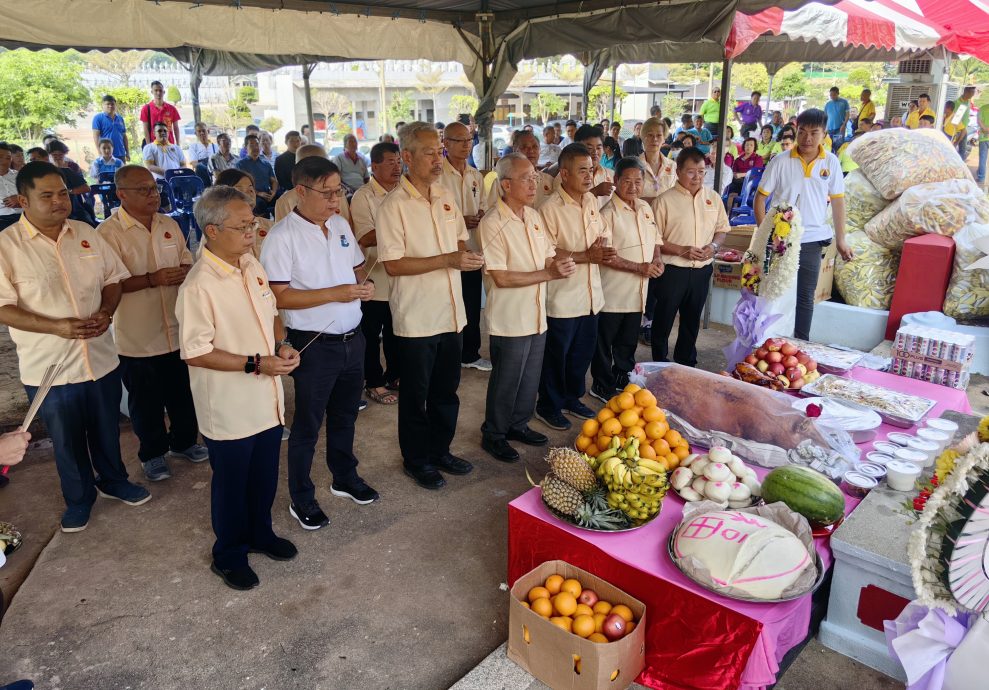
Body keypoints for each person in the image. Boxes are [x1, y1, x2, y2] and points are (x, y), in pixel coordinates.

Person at [0, 161, 150, 532]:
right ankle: (80, 499)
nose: (58, 202)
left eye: (63, 193)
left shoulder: (86, 233)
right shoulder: (7, 247)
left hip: (99, 357)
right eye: (46, 196)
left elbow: (113, 279)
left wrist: (106, 311)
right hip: (49, 366)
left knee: (105, 428)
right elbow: (3, 307)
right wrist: (57, 326)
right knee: (66, 440)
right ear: (23, 200)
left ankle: (114, 481)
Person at [178, 185, 299, 590]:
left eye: (253, 222)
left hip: (266, 397)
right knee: (232, 484)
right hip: (228, 405)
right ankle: (228, 553)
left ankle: (260, 534)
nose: (252, 231)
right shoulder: (199, 285)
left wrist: (281, 345)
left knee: (264, 475)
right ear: (212, 231)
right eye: (243, 225)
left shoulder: (251, 264)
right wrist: (255, 363)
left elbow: (273, 317)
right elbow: (195, 351)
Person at [260, 156, 378, 529]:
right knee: (308, 426)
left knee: (345, 417)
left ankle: (344, 477)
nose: (334, 200)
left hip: (352, 337)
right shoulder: (282, 237)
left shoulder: (340, 225)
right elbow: (279, 296)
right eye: (326, 193)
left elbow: (356, 265)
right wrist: (337, 293)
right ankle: (302, 497)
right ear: (301, 191)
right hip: (314, 343)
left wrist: (362, 285)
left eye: (338, 191)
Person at [376, 122, 482, 490]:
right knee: (415, 395)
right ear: (406, 157)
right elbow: (394, 264)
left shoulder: (446, 195)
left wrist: (466, 259)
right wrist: (447, 260)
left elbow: (458, 247)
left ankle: (440, 450)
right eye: (429, 152)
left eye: (439, 151)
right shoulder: (393, 206)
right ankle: (416, 459)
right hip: (417, 317)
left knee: (446, 391)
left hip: (451, 312)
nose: (438, 159)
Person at [97, 165, 205, 481]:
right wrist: (150, 279)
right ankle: (153, 454)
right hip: (138, 336)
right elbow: (107, 283)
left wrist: (185, 270)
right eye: (142, 190)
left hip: (176, 329)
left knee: (183, 394)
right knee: (147, 403)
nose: (152, 195)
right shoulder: (107, 233)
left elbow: (188, 259)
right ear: (121, 194)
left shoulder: (168, 224)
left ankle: (184, 442)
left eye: (154, 189)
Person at [479, 154, 576, 461]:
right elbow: (501, 277)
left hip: (536, 313)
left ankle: (518, 425)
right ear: (506, 185)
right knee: (506, 379)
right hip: (510, 316)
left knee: (530, 377)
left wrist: (556, 264)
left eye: (535, 177)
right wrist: (548, 273)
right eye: (527, 179)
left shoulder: (533, 217)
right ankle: (494, 433)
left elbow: (546, 255)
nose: (534, 184)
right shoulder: (493, 223)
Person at [535, 143, 616, 431]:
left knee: (582, 352)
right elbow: (546, 251)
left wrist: (603, 249)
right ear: (564, 174)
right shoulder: (549, 209)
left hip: (591, 294)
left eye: (591, 170)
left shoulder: (592, 203)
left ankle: (572, 397)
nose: (589, 176)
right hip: (563, 296)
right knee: (558, 354)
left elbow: (602, 234)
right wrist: (586, 256)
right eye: (582, 171)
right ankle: (549, 405)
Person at [755, 108, 850, 340]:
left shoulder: (832, 162)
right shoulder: (780, 161)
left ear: (824, 134)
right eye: (802, 132)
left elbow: (838, 203)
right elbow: (760, 198)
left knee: (805, 296)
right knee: (774, 292)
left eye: (814, 133)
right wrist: (766, 234)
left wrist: (842, 240)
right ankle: (767, 342)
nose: (807, 138)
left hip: (812, 240)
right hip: (780, 240)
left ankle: (799, 345)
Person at [591, 157, 663, 401]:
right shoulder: (607, 214)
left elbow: (655, 240)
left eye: (638, 181)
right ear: (615, 181)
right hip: (613, 293)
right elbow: (606, 256)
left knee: (628, 341)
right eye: (627, 181)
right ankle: (601, 384)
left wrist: (657, 260)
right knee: (604, 343)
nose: (633, 187)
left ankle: (623, 377)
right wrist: (639, 267)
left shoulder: (644, 208)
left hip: (638, 292)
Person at [651, 148, 728, 366]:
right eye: (691, 172)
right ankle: (659, 361)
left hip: (702, 270)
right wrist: (680, 249)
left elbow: (722, 230)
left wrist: (713, 246)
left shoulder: (713, 198)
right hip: (672, 271)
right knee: (664, 319)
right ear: (678, 171)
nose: (697, 177)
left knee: (691, 319)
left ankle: (685, 362)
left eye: (702, 172)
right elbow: (654, 238)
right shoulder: (663, 201)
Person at [351, 142, 402, 406]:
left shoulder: (405, 192)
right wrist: (400, 228)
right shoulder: (364, 196)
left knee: (397, 331)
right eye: (391, 162)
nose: (397, 167)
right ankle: (373, 381)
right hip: (374, 278)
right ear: (375, 166)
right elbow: (366, 237)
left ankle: (395, 374)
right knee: (371, 335)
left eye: (399, 161)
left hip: (402, 277)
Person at [440, 120, 490, 373]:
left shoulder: (474, 175)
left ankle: (469, 353)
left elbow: (482, 204)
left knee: (471, 302)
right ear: (445, 144)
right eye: (459, 140)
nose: (465, 145)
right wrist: (461, 220)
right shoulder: (437, 175)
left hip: (471, 248)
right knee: (448, 303)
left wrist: (479, 214)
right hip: (445, 251)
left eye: (469, 139)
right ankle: (450, 355)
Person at [274, 144, 351, 225]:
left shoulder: (338, 194)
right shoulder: (285, 201)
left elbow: (348, 223)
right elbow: (282, 230)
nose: (334, 198)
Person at [487, 129, 556, 210]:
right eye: (524, 147)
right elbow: (492, 212)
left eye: (535, 146)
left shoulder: (548, 180)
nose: (531, 150)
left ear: (540, 150)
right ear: (515, 150)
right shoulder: (502, 183)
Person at [214, 168, 274, 257]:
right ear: (222, 197)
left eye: (250, 189)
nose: (248, 195)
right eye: (239, 191)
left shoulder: (269, 226)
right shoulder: (216, 234)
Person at [47, 141, 96, 226]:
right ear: (49, 155)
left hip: (75, 205)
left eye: (60, 155)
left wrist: (67, 192)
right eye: (55, 155)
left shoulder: (71, 167)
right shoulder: (47, 169)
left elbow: (85, 188)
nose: (58, 157)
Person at [236, 134, 278, 217]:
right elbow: (242, 186)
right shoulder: (241, 164)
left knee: (281, 200)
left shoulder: (266, 163)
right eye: (252, 145)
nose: (255, 148)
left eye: (257, 145)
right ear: (245, 147)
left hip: (268, 194)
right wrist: (259, 193)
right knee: (259, 203)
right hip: (252, 195)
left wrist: (273, 192)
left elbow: (274, 181)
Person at [139, 81, 181, 146]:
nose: (158, 93)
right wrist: (148, 146)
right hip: (154, 145)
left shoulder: (172, 109)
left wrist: (178, 145)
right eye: (156, 90)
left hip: (169, 145)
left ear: (164, 92)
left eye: (160, 90)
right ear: (152, 92)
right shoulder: (146, 109)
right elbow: (146, 129)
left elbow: (176, 128)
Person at [92, 95, 129, 163]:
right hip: (107, 154)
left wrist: (127, 152)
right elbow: (96, 137)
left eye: (112, 104)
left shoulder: (120, 118)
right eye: (107, 104)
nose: (110, 106)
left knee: (122, 173)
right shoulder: (98, 118)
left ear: (115, 105)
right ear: (103, 105)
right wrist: (100, 153)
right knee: (109, 173)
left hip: (121, 154)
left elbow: (124, 136)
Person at [187, 123, 218, 187]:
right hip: (201, 174)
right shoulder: (193, 146)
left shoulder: (215, 146)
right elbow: (194, 163)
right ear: (195, 133)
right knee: (200, 167)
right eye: (199, 131)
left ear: (208, 131)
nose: (202, 133)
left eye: (203, 131)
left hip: (214, 173)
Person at [0, 143, 22, 231]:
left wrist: (20, 199)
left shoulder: (20, 176)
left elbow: (34, 195)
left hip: (24, 217)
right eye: (0, 157)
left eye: (8, 158)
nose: (4, 161)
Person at [952, 86, 976, 161]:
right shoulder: (957, 103)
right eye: (972, 92)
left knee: (962, 151)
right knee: (953, 150)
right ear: (966, 91)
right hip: (957, 131)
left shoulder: (968, 102)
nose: (973, 94)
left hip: (964, 129)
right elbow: (955, 119)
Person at [824, 87, 850, 152]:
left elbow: (847, 114)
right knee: (829, 144)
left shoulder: (844, 102)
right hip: (829, 129)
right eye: (831, 95)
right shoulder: (828, 104)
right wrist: (825, 127)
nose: (832, 96)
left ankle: (838, 160)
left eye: (834, 95)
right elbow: (825, 116)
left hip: (840, 128)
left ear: (838, 93)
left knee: (838, 144)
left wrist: (844, 125)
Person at [977, 98, 989, 188]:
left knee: (983, 158)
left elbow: (979, 121)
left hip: (983, 137)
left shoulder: (983, 108)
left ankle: (981, 178)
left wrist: (985, 129)